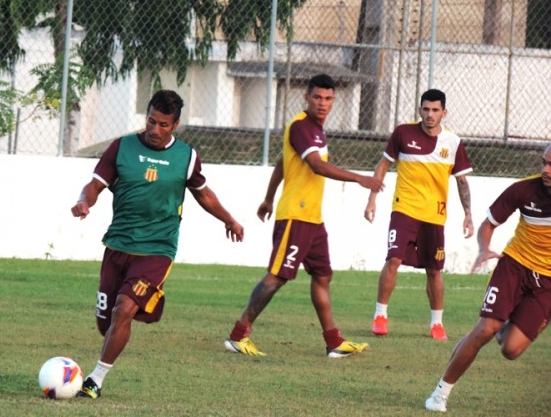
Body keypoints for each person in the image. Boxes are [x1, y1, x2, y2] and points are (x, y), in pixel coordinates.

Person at [71, 89, 244, 399]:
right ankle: (127, 322)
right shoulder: (121, 148)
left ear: (175, 125)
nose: (155, 129)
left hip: (157, 251)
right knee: (106, 323)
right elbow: (95, 185)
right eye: (151, 121)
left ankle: (95, 380)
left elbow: (203, 193)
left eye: (163, 124)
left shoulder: (186, 157)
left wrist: (229, 219)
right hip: (118, 246)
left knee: (124, 309)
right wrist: (85, 201)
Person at [224, 73, 384, 358]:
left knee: (323, 275)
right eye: (317, 98)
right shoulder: (301, 126)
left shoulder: (316, 130)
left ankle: (333, 341)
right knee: (277, 277)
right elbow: (316, 166)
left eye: (328, 98)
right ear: (306, 98)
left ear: (334, 101)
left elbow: (282, 162)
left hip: (312, 219)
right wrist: (360, 178)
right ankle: (238, 335)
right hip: (296, 217)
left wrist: (268, 197)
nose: (322, 103)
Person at [425, 143, 551, 412]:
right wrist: (484, 248)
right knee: (485, 329)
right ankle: (439, 394)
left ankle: (503, 316)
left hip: (547, 283)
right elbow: (489, 224)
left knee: (511, 349)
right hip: (515, 266)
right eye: (543, 162)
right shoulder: (523, 190)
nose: (546, 170)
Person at [364, 89, 473, 340]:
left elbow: (462, 181)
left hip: (435, 215)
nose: (430, 115)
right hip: (404, 209)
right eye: (426, 109)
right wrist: (372, 198)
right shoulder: (403, 133)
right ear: (419, 110)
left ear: (444, 113)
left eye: (435, 110)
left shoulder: (453, 142)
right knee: (393, 259)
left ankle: (436, 323)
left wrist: (468, 214)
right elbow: (383, 164)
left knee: (434, 270)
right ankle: (380, 316)